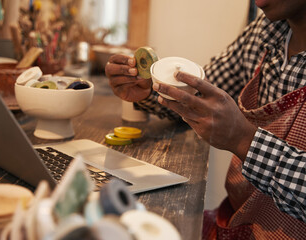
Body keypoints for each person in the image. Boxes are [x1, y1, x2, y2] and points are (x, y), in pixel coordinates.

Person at [105, 0, 306, 239]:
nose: (258, 2)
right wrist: (151, 90)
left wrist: (244, 140)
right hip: (241, 222)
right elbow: (199, 95)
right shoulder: (266, 30)